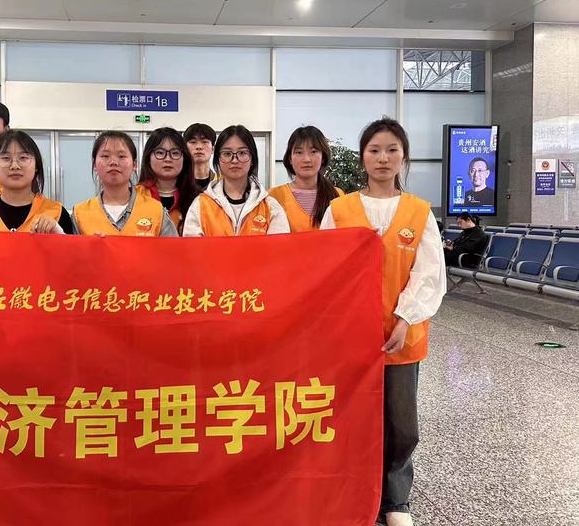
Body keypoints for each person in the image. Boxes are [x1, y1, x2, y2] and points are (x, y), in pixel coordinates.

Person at [320, 118, 446, 526]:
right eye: (374, 150)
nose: (383, 158)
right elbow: (322, 269)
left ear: (403, 157)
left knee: (401, 423)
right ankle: (358, 494)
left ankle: (396, 500)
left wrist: (405, 318)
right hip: (350, 339)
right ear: (363, 158)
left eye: (392, 150)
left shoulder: (418, 212)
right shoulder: (339, 210)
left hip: (401, 338)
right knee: (354, 419)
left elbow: (429, 274)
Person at [0, 130, 71, 234]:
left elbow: (71, 252)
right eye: (6, 158)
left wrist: (59, 234)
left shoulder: (57, 213)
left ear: (36, 165)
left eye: (23, 158)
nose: (15, 166)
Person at [183, 125, 289, 236]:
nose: (234, 160)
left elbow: (279, 246)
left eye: (242, 153)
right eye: (227, 154)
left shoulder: (270, 207)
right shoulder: (200, 205)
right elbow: (192, 246)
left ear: (252, 159)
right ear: (218, 160)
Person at [73, 131, 178, 237]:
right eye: (105, 156)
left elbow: (173, 247)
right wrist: (89, 245)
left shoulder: (156, 211)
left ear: (134, 165)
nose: (113, 162)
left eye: (121, 156)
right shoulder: (80, 214)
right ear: (94, 164)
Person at [268, 125, 344, 232]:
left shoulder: (338, 195)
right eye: (299, 152)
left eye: (313, 152)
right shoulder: (273, 196)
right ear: (290, 159)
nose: (307, 159)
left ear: (323, 157)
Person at [135, 127, 198, 233]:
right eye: (160, 153)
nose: (168, 159)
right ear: (148, 158)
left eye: (175, 153)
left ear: (185, 159)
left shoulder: (198, 198)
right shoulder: (134, 196)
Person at [183, 123, 216, 190]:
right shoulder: (177, 182)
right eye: (193, 142)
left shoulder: (221, 183)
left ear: (213, 149)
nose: (199, 147)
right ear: (185, 148)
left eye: (204, 142)